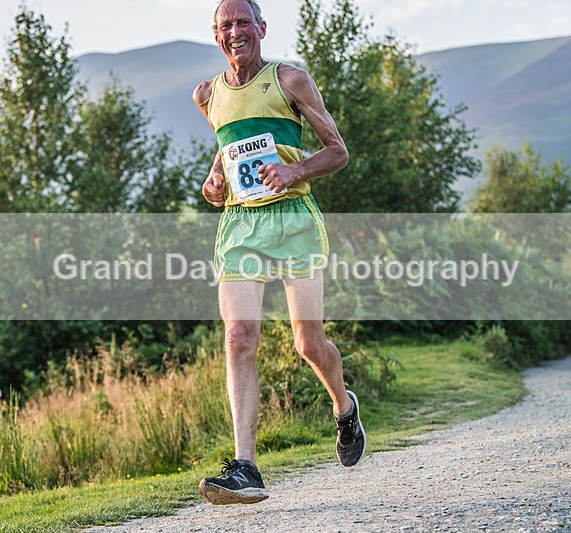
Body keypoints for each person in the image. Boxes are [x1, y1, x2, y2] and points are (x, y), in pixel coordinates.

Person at [192, 0, 366, 505]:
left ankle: (344, 406)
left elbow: (338, 151)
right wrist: (214, 180)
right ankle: (246, 467)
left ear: (261, 28)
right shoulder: (207, 94)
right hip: (241, 226)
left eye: (243, 22)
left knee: (308, 345)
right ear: (216, 35)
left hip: (293, 221)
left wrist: (295, 171)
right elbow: (229, 145)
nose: (235, 31)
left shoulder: (290, 80)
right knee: (238, 337)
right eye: (226, 25)